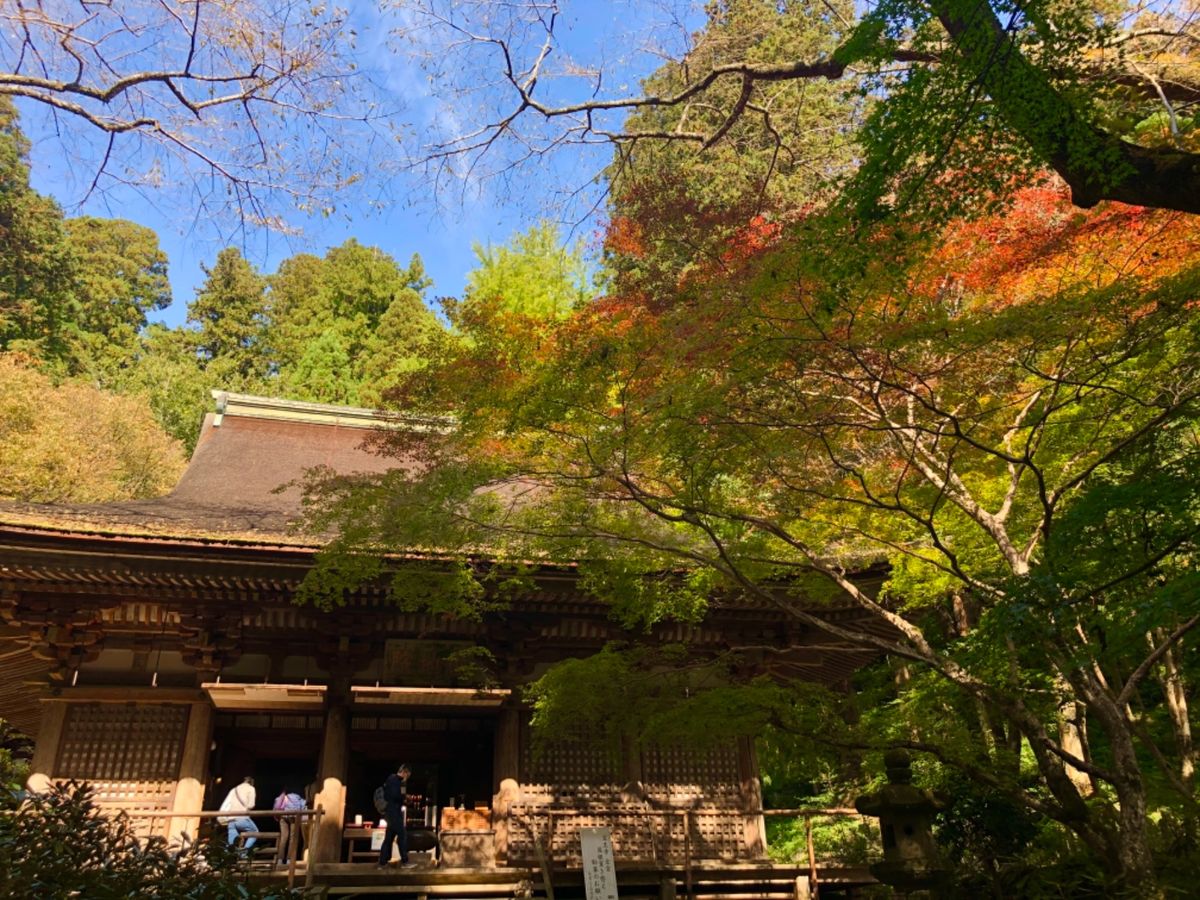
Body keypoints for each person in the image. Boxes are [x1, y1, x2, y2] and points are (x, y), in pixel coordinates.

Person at [377, 763, 414, 868]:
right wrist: (404, 797)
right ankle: (405, 861)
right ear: (405, 772)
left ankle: (382, 862)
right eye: (408, 775)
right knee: (402, 834)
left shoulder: (395, 781)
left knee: (389, 837)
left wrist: (404, 797)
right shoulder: (394, 780)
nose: (407, 778)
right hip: (393, 813)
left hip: (392, 812)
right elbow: (394, 796)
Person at [218, 776, 257, 854]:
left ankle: (226, 860)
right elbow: (251, 805)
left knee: (231, 844)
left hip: (231, 819)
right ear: (251, 782)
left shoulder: (234, 789)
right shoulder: (251, 789)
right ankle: (242, 853)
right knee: (254, 832)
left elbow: (226, 803)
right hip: (242, 818)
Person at [273, 785, 306, 865]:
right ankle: (289, 860)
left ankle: (280, 860)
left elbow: (276, 803)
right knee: (293, 838)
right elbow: (303, 806)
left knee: (283, 838)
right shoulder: (298, 796)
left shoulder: (284, 795)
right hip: (294, 817)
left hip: (283, 816)